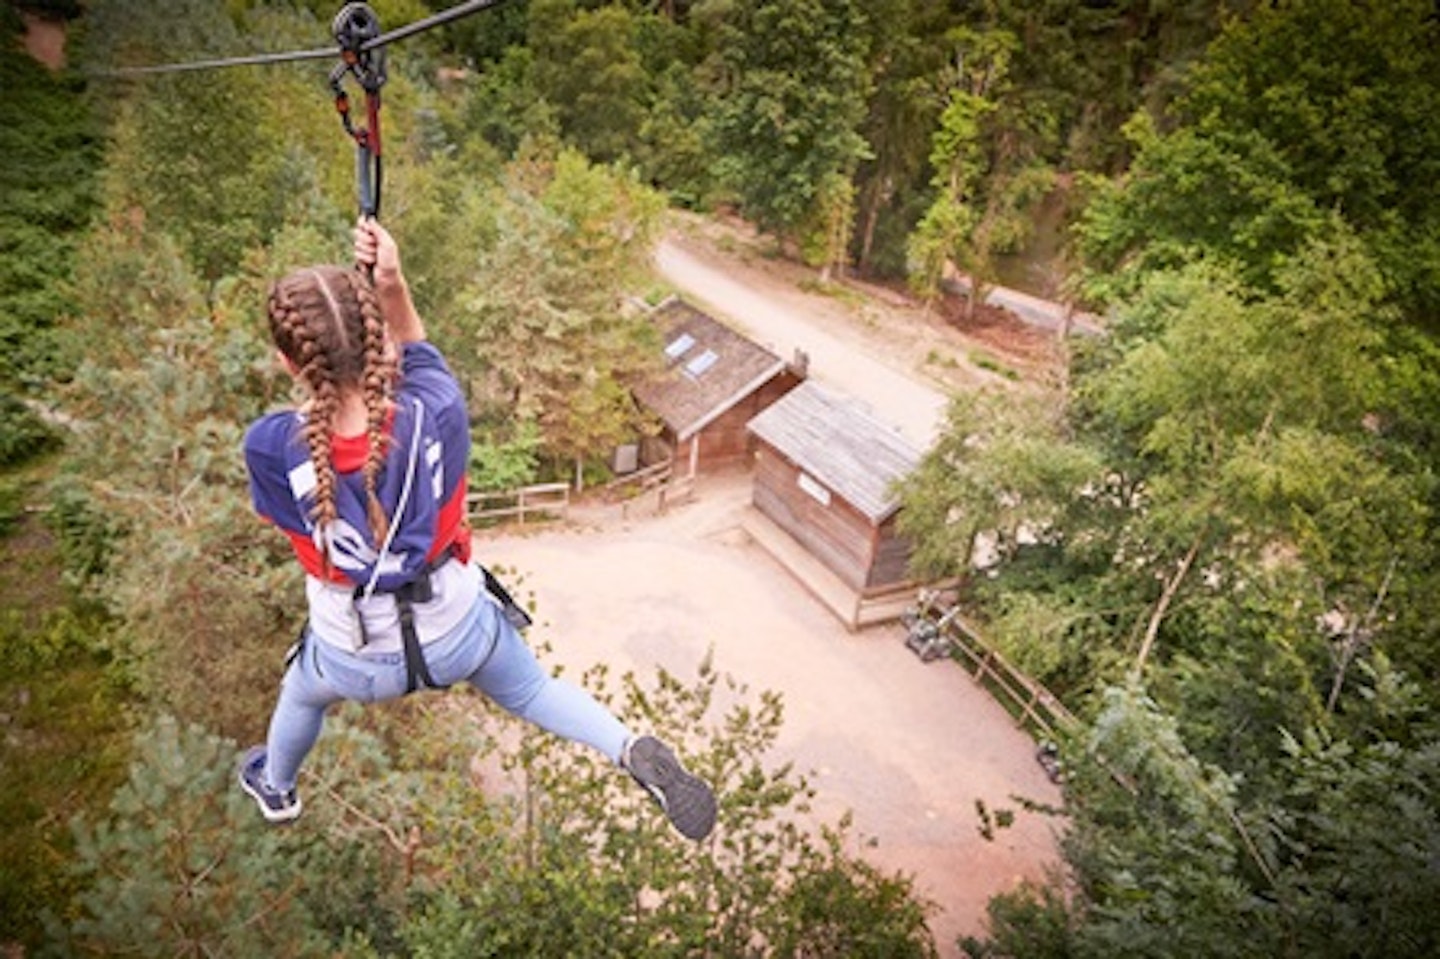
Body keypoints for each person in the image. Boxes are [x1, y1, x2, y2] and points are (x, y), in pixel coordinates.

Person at [237, 219, 716, 841]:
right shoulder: (435, 408)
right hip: (456, 629)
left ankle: (277, 786)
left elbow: (283, 520)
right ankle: (627, 749)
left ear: (287, 361)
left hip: (352, 654)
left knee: (300, 694)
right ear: (373, 336)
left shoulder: (272, 446)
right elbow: (415, 346)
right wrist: (391, 281)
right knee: (535, 691)